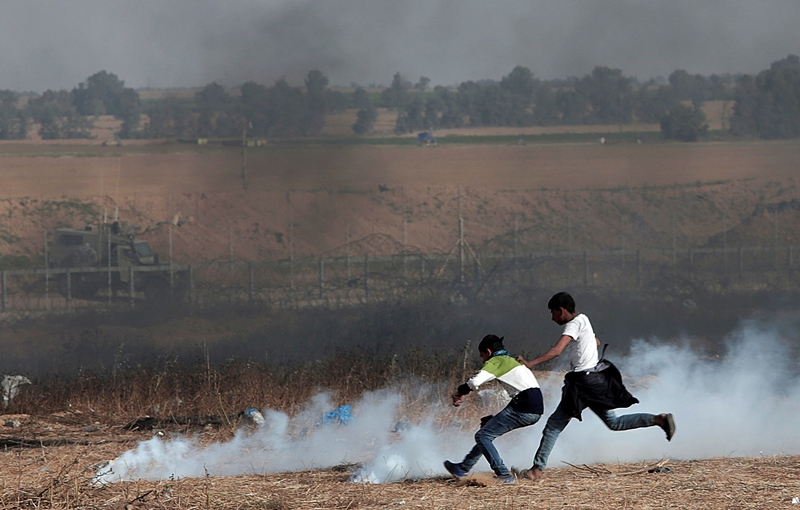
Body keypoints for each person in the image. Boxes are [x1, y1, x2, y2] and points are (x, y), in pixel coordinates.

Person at [516, 291, 676, 482]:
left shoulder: (573, 324)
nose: (552, 318)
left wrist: (530, 364)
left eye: (553, 313)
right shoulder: (584, 319)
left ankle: (536, 471)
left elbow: (557, 350)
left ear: (562, 310)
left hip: (582, 384)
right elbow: (595, 340)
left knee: (553, 426)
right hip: (595, 381)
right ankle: (659, 420)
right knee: (614, 423)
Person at [443, 334, 544, 485]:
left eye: (482, 355)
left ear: (488, 352)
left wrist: (460, 392)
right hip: (534, 405)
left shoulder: (497, 361)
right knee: (487, 428)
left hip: (524, 405)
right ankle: (463, 468)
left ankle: (504, 475)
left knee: (482, 436)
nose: (483, 360)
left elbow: (475, 381)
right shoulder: (511, 360)